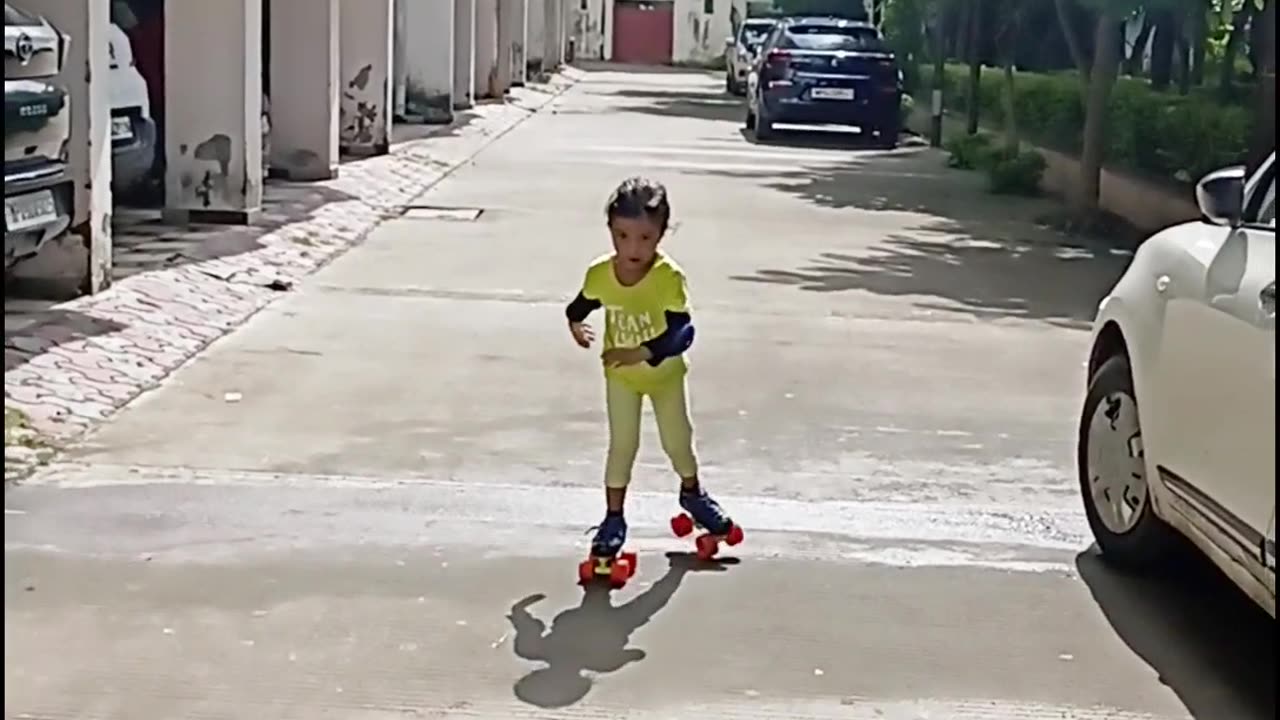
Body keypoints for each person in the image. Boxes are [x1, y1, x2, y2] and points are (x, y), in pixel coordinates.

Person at [564, 176, 736, 559]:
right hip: (621, 379)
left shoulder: (667, 277)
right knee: (622, 446)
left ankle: (692, 494)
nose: (633, 249)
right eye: (622, 236)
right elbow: (579, 306)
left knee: (677, 440)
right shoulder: (600, 274)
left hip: (664, 376)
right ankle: (613, 518)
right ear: (610, 231)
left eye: (645, 238)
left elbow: (682, 331)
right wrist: (575, 325)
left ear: (661, 234)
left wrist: (639, 353)